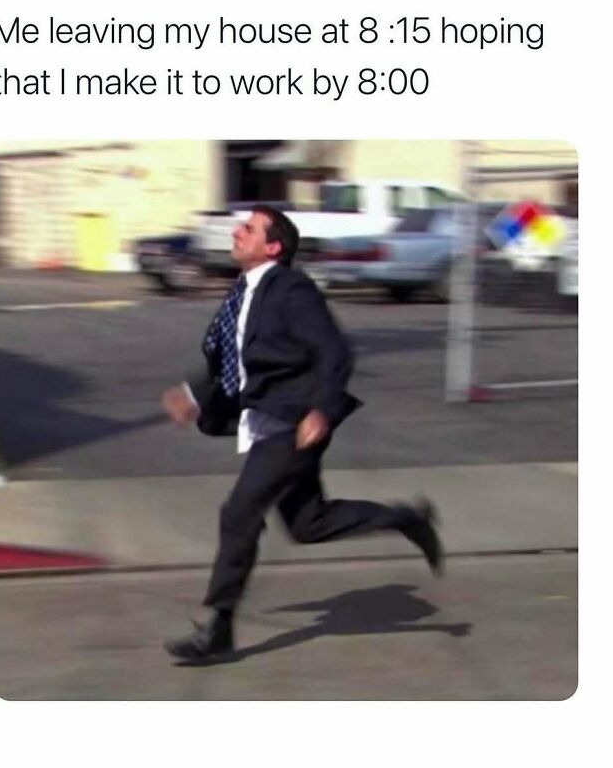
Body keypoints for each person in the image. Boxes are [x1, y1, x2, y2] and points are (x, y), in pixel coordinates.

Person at [162, 205, 444, 662]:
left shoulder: (293, 290)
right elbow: (230, 358)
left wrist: (322, 411)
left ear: (273, 246)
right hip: (265, 421)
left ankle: (219, 627)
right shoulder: (244, 291)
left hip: (293, 423)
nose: (236, 232)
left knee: (239, 512)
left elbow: (335, 352)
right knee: (308, 523)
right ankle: (407, 519)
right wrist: (194, 394)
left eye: (248, 229)